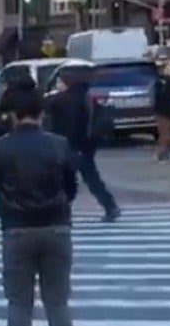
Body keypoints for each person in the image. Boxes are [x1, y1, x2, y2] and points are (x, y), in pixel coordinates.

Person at [0, 87, 77, 326]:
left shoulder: (0, 148)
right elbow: (71, 188)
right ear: (42, 113)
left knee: (18, 304)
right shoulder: (60, 145)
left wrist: (6, 212)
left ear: (13, 115)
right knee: (57, 303)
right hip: (56, 227)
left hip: (16, 229)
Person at [46, 67, 119, 222]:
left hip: (69, 145)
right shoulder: (87, 97)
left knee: (65, 182)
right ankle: (110, 206)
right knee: (92, 179)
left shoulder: (61, 100)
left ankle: (63, 212)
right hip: (86, 146)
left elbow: (60, 124)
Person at [153, 63, 170, 162]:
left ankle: (166, 153)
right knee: (165, 135)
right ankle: (159, 155)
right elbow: (161, 97)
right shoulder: (161, 82)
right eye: (168, 70)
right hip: (163, 112)